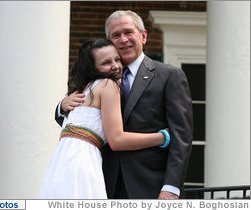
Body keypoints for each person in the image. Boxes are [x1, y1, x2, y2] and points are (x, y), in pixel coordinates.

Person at [56, 10, 193, 199]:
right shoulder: (96, 77)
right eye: (116, 35)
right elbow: (81, 122)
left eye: (128, 32)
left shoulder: (169, 76)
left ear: (143, 36)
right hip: (103, 181)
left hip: (151, 184)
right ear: (109, 41)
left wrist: (171, 187)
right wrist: (61, 107)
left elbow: (181, 137)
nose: (123, 39)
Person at [40, 39, 170, 199]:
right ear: (92, 68)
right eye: (106, 63)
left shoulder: (85, 88)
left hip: (60, 161)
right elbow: (116, 140)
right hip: (83, 161)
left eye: (117, 59)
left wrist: (61, 106)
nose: (115, 66)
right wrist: (162, 137)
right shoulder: (108, 84)